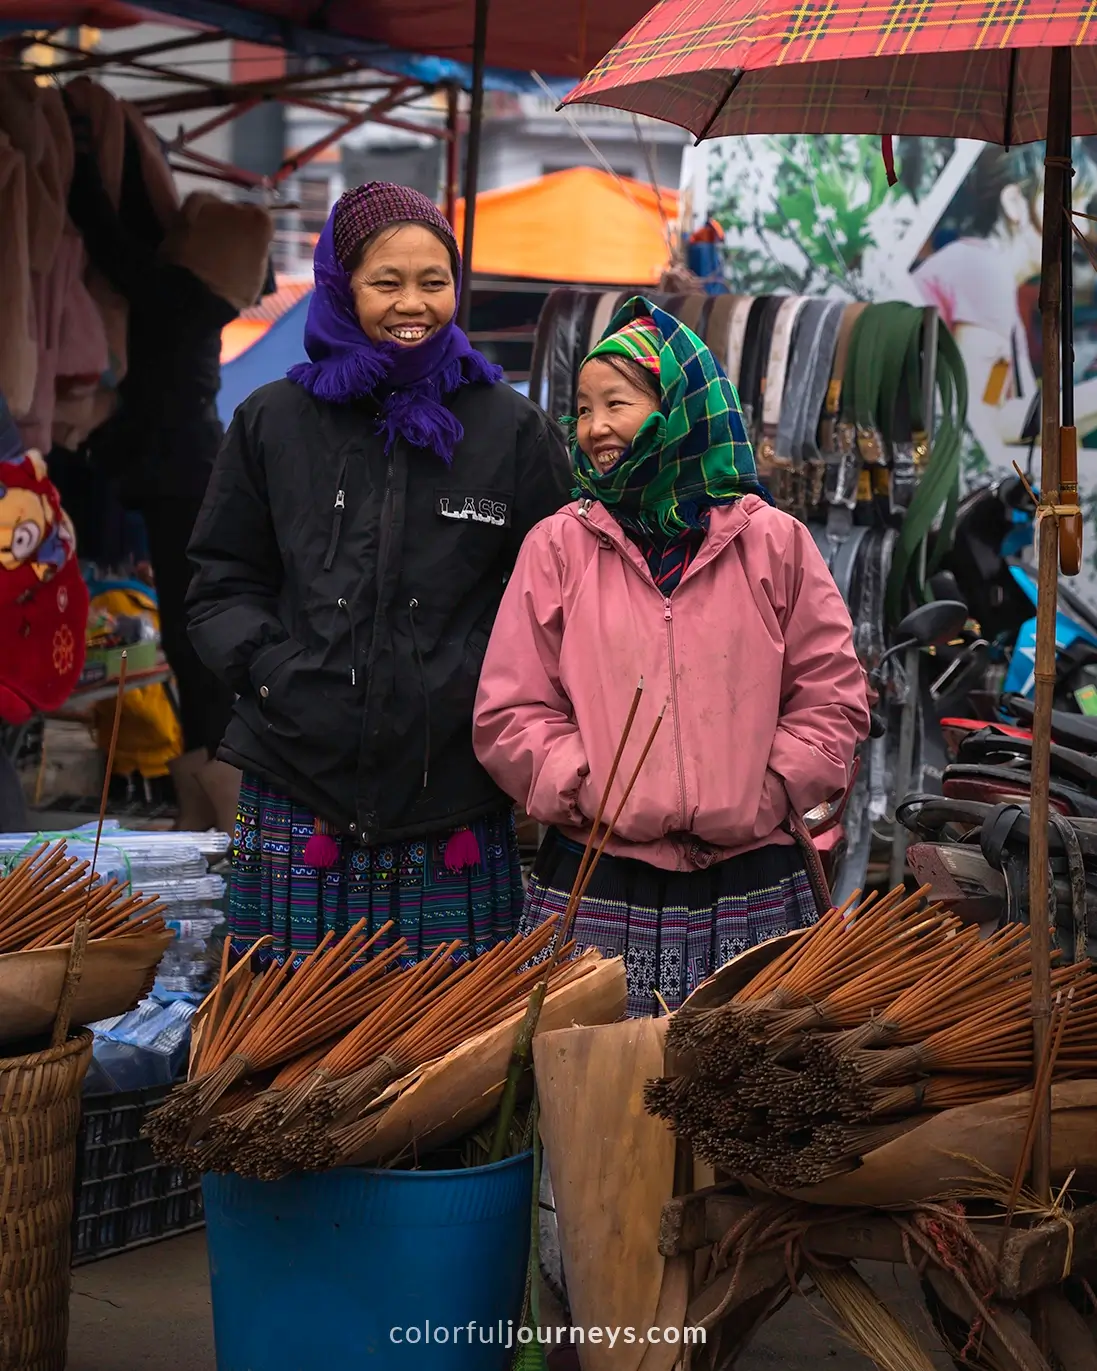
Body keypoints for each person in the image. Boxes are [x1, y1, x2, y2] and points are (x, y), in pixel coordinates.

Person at [186, 181, 572, 965]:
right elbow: (221, 580)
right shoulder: (272, 421)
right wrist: (277, 673)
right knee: (282, 1049)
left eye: (434, 282)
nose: (413, 304)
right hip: (297, 775)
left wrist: (472, 686)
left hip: (453, 788)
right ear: (339, 284)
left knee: (443, 1054)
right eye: (385, 282)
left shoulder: (511, 430)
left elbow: (556, 599)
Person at [473, 299, 870, 1017]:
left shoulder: (773, 542)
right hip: (598, 875)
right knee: (597, 1098)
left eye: (616, 403)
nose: (593, 427)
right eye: (583, 409)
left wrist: (771, 785)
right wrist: (586, 785)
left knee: (743, 1094)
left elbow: (832, 695)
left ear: (679, 406)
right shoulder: (557, 547)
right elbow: (510, 709)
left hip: (753, 870)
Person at [64, 105, 249, 833]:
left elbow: (111, 242)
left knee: (190, 636)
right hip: (188, 474)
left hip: (183, 480)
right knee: (186, 634)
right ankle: (208, 800)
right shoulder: (204, 302)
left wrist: (81, 155)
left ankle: (219, 806)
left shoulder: (177, 298)